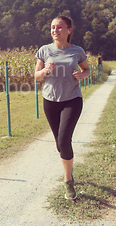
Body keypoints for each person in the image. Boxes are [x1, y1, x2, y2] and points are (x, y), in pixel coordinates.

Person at [34, 15, 90, 200]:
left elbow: (86, 70)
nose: (55, 31)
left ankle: (68, 181)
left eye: (59, 27)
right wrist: (44, 71)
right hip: (50, 101)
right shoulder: (44, 50)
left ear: (69, 30)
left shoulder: (77, 51)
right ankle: (69, 166)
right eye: (52, 27)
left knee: (64, 140)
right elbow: (37, 76)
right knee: (59, 143)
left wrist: (83, 75)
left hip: (72, 99)